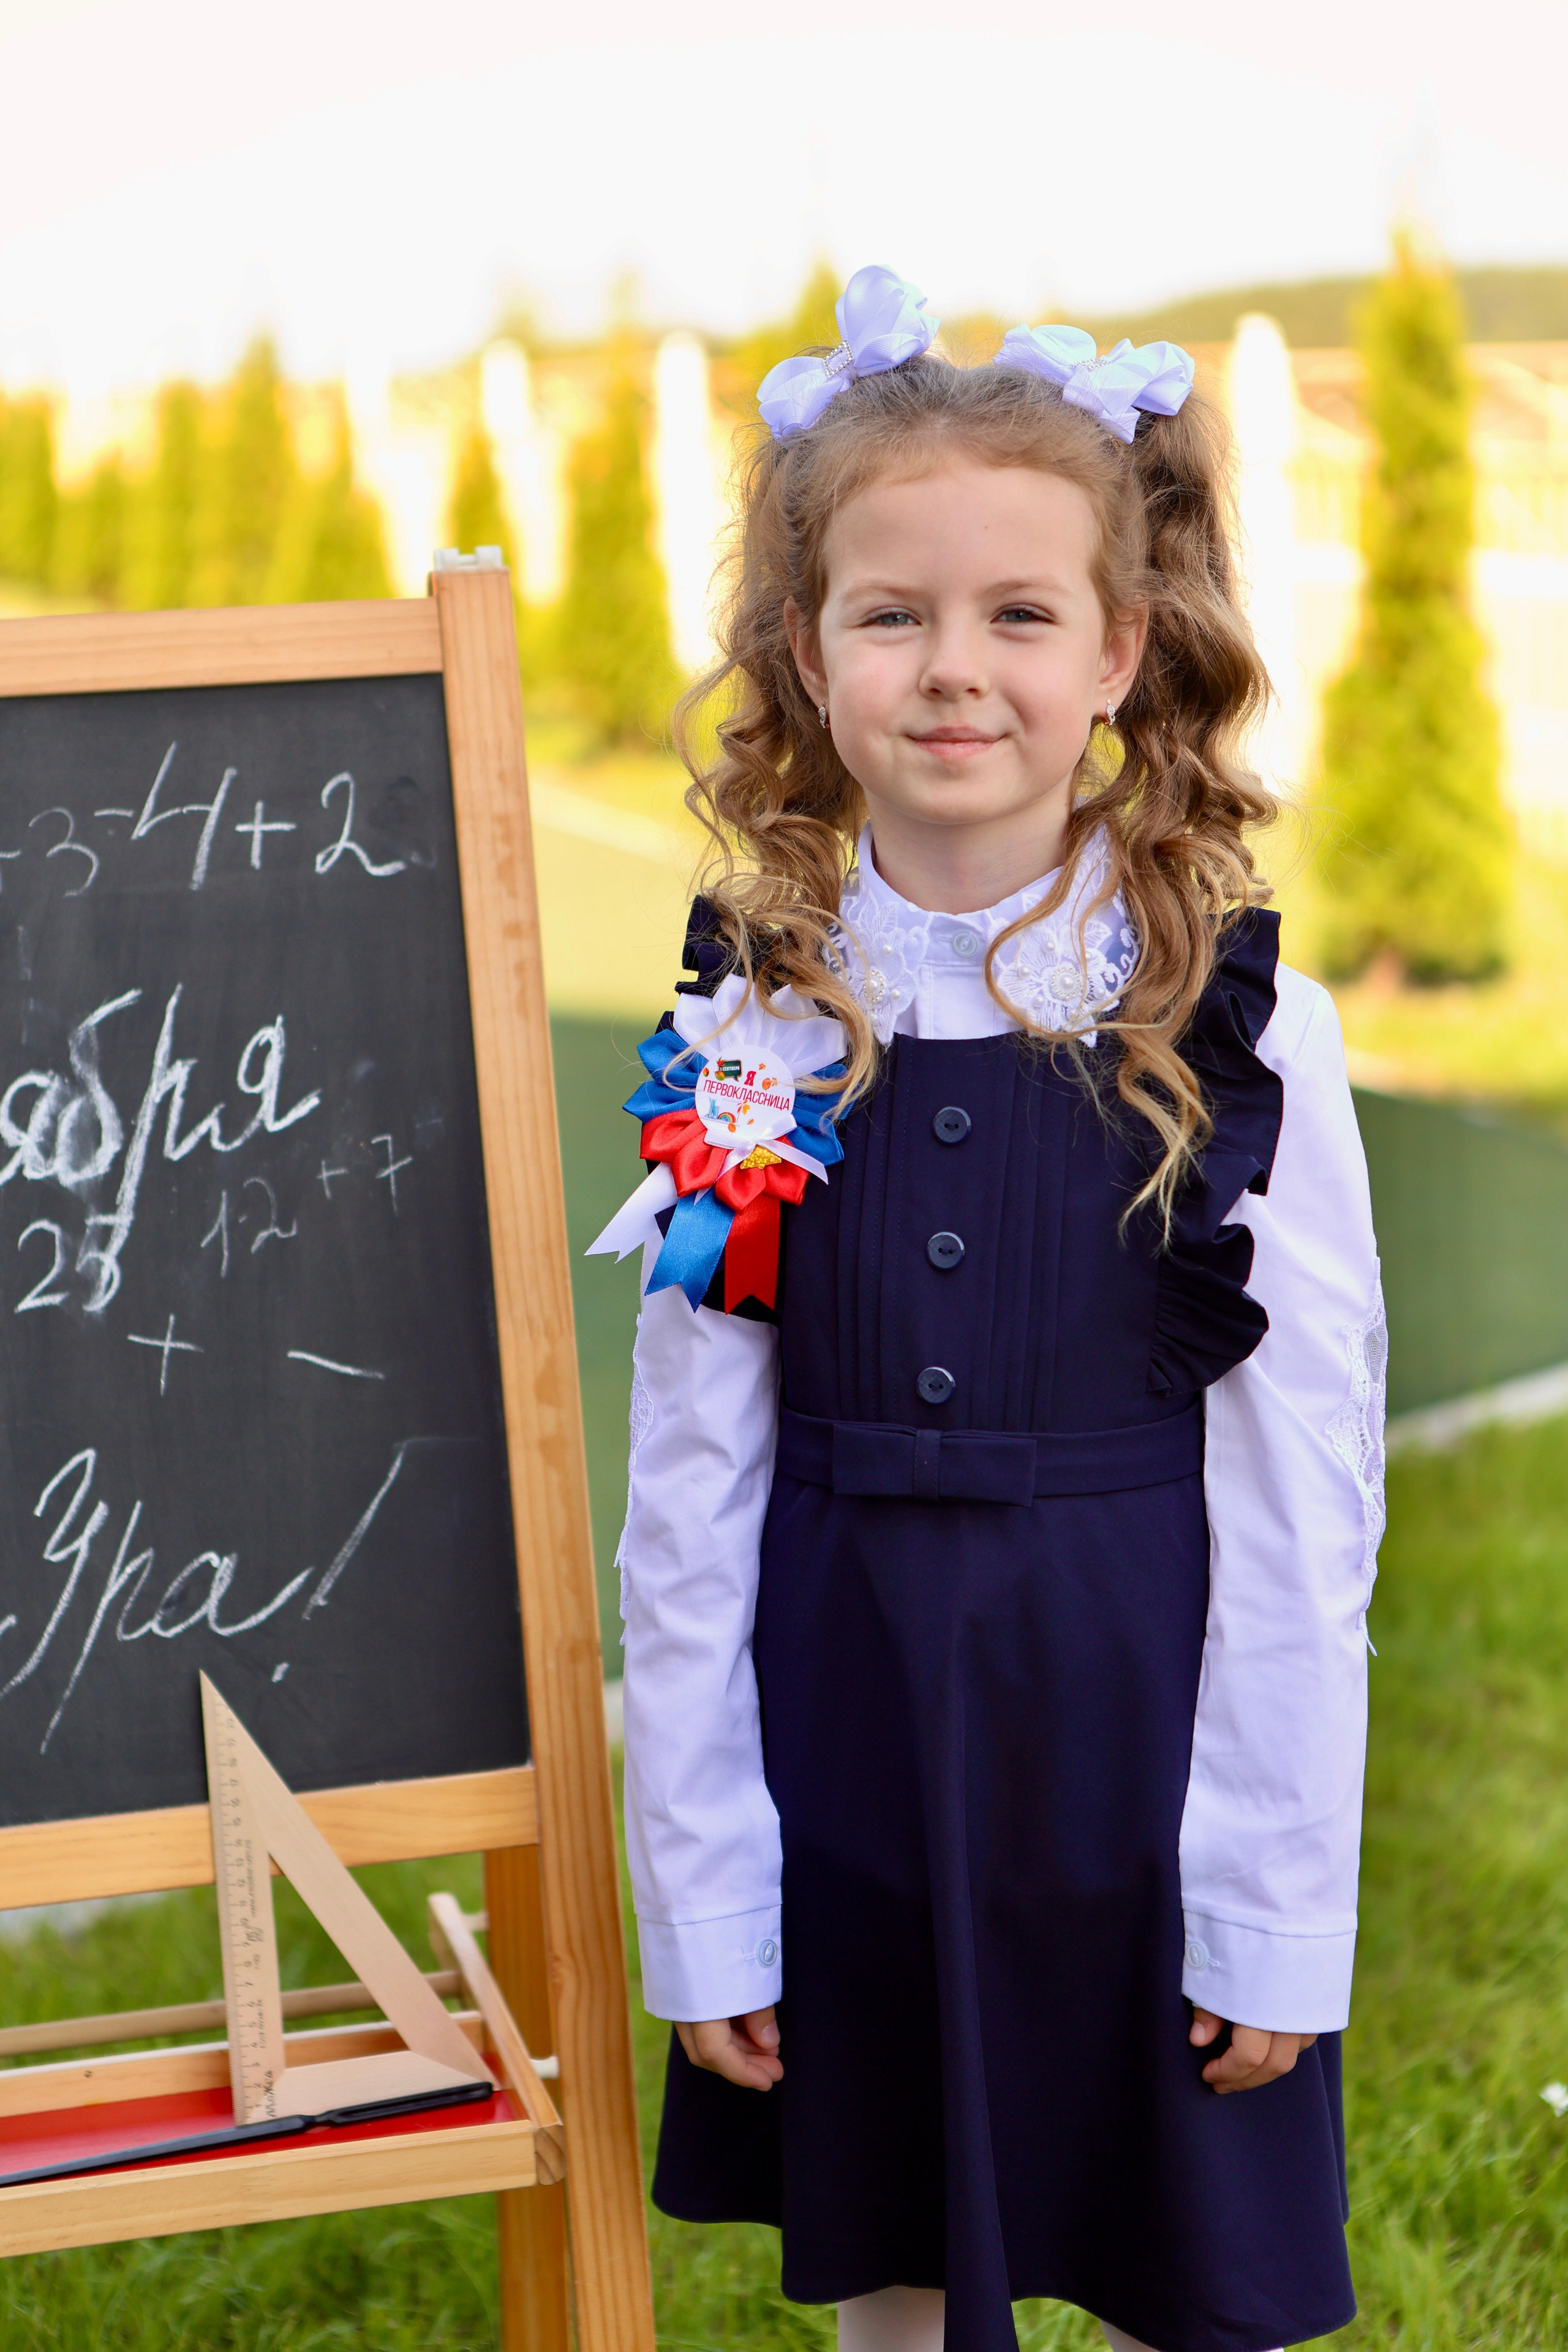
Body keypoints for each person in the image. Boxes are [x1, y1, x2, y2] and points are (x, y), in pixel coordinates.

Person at [590, 265, 1385, 2352]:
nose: (958, 673)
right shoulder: (756, 1035)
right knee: (900, 2286)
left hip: (1146, 1760)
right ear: (805, 647)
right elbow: (688, 1502)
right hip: (849, 1760)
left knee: (1171, 2276)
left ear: (1119, 649)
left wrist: (1274, 1904)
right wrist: (713, 1891)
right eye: (893, 613)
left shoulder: (1241, 1027)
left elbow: (1310, 1512)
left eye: (1021, 616)